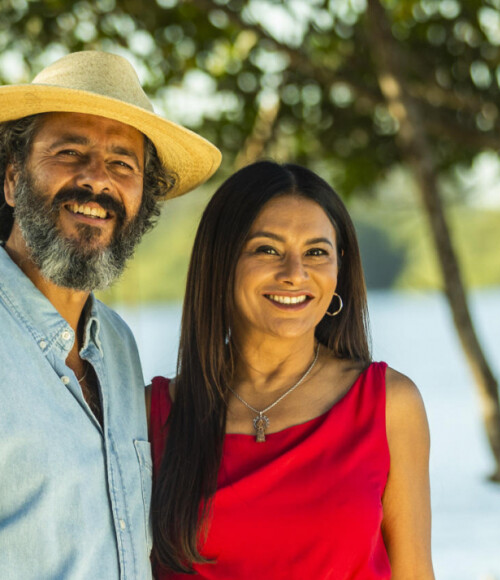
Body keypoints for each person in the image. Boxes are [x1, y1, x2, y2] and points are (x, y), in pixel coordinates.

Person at [149, 160, 435, 579]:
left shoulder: (390, 405)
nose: (294, 274)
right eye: (267, 249)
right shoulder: (151, 415)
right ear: (221, 262)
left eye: (316, 253)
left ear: (339, 269)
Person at [0, 51, 221, 580]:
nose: (97, 180)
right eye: (70, 151)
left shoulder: (118, 348)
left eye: (123, 164)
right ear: (10, 180)